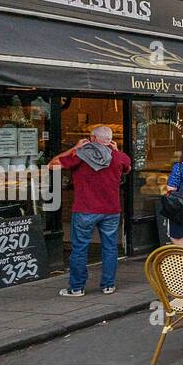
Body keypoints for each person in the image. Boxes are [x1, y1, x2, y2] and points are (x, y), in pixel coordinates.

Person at [51, 125, 131, 297]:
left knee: (79, 249)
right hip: (111, 210)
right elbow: (127, 168)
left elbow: (52, 164)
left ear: (93, 139)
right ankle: (108, 285)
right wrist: (116, 150)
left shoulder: (80, 156)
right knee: (110, 248)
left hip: (85, 209)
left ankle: (77, 288)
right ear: (110, 140)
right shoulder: (119, 157)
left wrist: (75, 148)